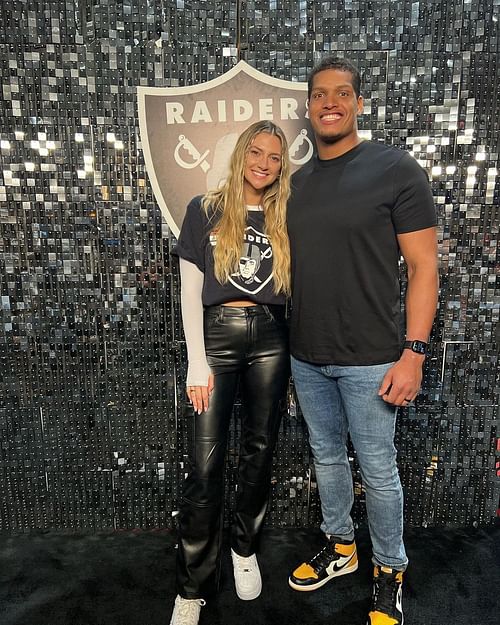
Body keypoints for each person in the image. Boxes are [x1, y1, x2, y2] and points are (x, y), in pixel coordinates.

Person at [286, 57, 438, 625]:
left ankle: (389, 570)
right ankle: (342, 549)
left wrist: (414, 353)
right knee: (326, 457)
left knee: (377, 470)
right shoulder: (297, 182)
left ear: (359, 103)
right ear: (308, 107)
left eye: (342, 93)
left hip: (374, 359)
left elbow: (425, 267)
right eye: (320, 95)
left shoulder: (395, 168)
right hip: (307, 355)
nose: (330, 103)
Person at [170, 120, 291, 625]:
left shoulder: (289, 216)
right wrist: (197, 360)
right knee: (205, 464)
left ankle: (244, 550)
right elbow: (189, 289)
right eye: (256, 152)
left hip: (272, 338)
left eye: (274, 157)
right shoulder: (206, 209)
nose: (263, 163)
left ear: (282, 166)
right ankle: (193, 585)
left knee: (259, 450)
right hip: (216, 337)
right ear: (241, 154)